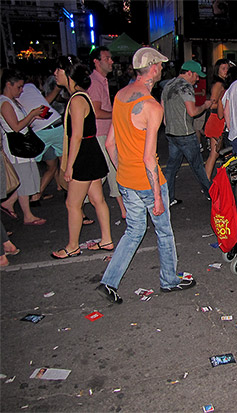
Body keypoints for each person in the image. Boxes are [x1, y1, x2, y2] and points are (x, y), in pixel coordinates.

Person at [96, 47, 196, 304]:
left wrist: (123, 173)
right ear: (152, 68)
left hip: (126, 179)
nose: (162, 69)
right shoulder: (151, 106)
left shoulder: (119, 96)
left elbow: (110, 144)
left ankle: (109, 281)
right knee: (163, 231)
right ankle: (169, 279)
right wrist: (157, 197)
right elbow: (149, 158)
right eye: (160, 66)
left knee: (134, 230)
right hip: (147, 181)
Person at [51, 56, 113, 259]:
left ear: (68, 74)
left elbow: (76, 136)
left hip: (84, 154)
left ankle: (72, 246)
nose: (55, 74)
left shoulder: (77, 99)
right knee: (97, 199)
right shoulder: (81, 96)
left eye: (58, 70)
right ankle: (106, 240)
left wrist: (69, 167)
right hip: (91, 151)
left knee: (72, 203)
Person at [161, 60, 212, 206]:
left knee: (171, 167)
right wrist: (205, 105)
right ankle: (211, 194)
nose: (198, 79)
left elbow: (163, 111)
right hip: (185, 133)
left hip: (171, 133)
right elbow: (193, 111)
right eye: (196, 75)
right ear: (189, 72)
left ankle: (168, 198)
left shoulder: (168, 84)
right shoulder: (185, 87)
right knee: (197, 166)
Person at [0, 69, 47, 225]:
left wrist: (32, 117)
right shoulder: (5, 103)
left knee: (26, 178)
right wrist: (32, 114)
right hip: (16, 148)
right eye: (19, 87)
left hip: (21, 147)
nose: (21, 90)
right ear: (9, 84)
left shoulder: (11, 101)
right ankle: (27, 215)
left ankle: (9, 204)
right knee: (25, 179)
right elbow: (15, 127)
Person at [88, 46, 126, 219]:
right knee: (101, 174)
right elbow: (96, 112)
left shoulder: (101, 81)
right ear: (96, 62)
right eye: (107, 58)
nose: (111, 61)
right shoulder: (95, 83)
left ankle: (124, 210)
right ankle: (77, 202)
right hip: (99, 134)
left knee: (113, 171)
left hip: (105, 133)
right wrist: (117, 114)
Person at [18, 80, 63, 204]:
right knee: (62, 160)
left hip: (40, 130)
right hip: (56, 123)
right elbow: (44, 104)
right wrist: (57, 89)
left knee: (37, 164)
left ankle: (36, 195)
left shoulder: (10, 97)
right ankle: (64, 188)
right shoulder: (30, 87)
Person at [204, 58, 229, 180]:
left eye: (227, 68)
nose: (226, 71)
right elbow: (211, 103)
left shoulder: (222, 83)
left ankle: (208, 180)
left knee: (216, 153)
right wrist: (222, 104)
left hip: (218, 119)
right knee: (214, 154)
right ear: (217, 70)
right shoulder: (219, 84)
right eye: (223, 69)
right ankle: (206, 181)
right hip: (216, 119)